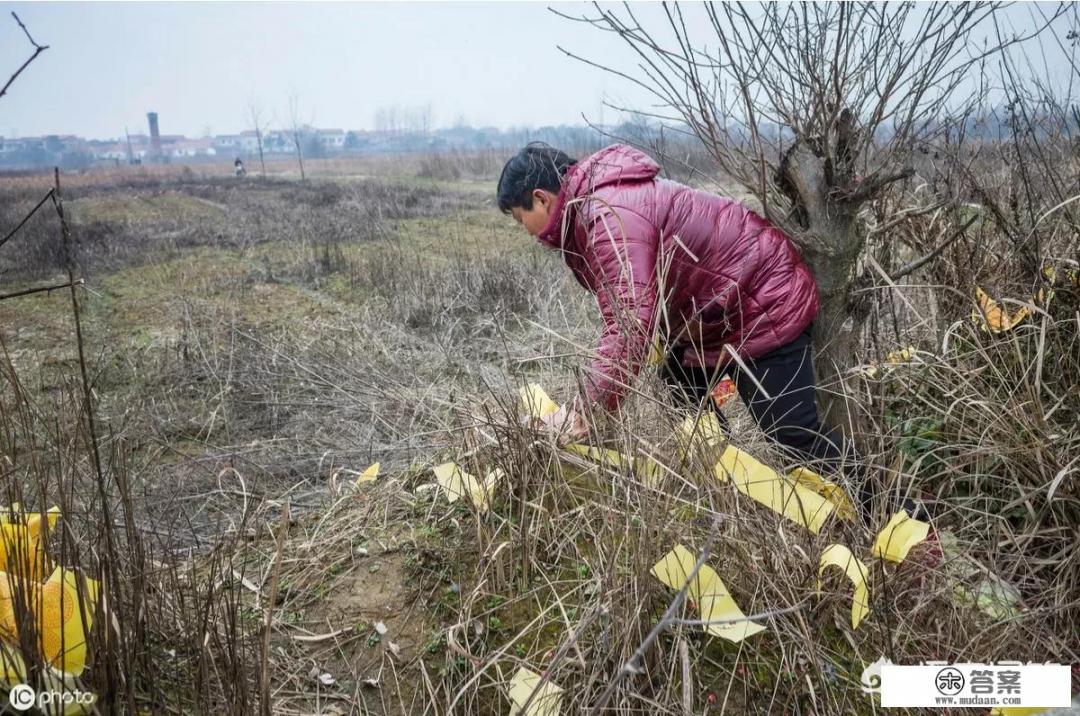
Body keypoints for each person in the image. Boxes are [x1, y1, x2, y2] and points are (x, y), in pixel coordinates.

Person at [497, 143, 869, 505]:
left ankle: (885, 510)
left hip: (763, 303)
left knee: (790, 431)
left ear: (542, 198)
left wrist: (582, 414)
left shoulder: (608, 214)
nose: (525, 230)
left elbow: (629, 325)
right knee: (680, 387)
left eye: (519, 217)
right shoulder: (594, 207)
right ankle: (720, 488)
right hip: (715, 317)